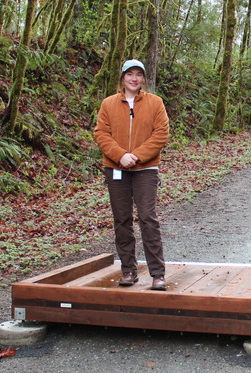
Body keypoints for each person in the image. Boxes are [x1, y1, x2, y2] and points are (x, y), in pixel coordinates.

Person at [94, 59, 169, 290]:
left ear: (143, 78)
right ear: (122, 78)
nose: (134, 79)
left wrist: (135, 156)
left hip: (145, 169)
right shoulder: (108, 104)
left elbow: (161, 133)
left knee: (148, 218)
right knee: (122, 220)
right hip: (116, 169)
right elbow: (101, 133)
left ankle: (157, 274)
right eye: (130, 74)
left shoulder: (155, 103)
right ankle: (128, 271)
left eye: (138, 75)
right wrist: (120, 156)